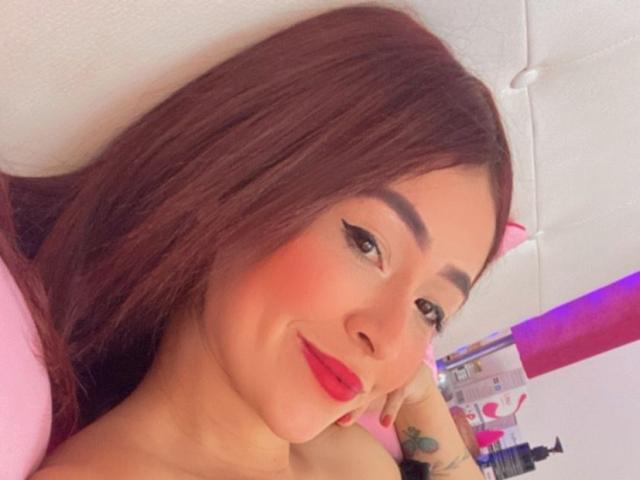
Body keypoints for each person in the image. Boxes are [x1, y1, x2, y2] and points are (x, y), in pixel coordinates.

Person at [10, 4, 512, 479]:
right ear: (244, 184)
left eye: (430, 309)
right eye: (366, 244)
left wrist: (420, 398)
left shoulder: (354, 459)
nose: (387, 340)